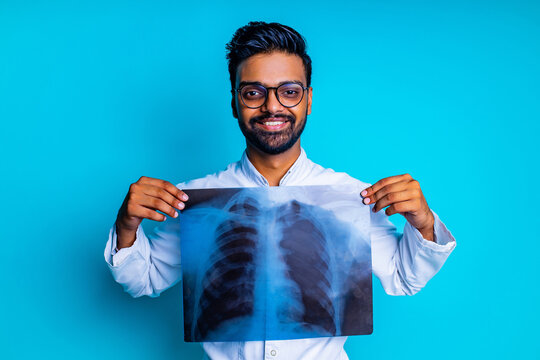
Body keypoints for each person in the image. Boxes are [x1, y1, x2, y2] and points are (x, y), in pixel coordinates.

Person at [104, 21, 456, 360]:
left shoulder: (350, 197)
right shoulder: (196, 200)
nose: (272, 106)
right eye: (254, 92)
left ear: (308, 100)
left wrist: (423, 223)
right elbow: (145, 279)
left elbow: (404, 277)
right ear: (234, 102)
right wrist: (126, 226)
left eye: (289, 92)